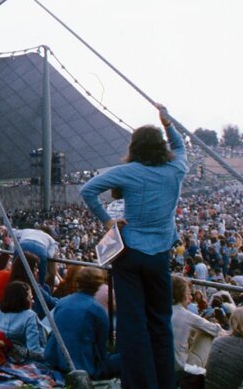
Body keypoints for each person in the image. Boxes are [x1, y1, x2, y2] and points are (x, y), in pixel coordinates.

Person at [80, 103, 186, 389]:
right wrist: (167, 123)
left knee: (132, 323)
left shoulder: (128, 172)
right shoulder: (176, 168)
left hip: (129, 252)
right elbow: (181, 146)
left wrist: (107, 221)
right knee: (160, 321)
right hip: (159, 254)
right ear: (161, 148)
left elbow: (87, 190)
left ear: (135, 148)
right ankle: (165, 382)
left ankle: (140, 384)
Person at [44, 267, 120, 380]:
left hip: (57, 361)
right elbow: (101, 348)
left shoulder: (62, 302)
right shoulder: (97, 310)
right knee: (123, 357)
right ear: (98, 285)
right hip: (84, 367)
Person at [170, 275, 220, 372]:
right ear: (184, 295)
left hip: (156, 365)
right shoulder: (187, 315)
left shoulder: (157, 311)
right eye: (188, 293)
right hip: (178, 369)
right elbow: (215, 330)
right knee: (207, 332)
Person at [0, 281, 42, 358]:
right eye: (30, 297)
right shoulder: (30, 315)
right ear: (23, 299)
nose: (32, 301)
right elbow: (33, 351)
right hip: (19, 356)